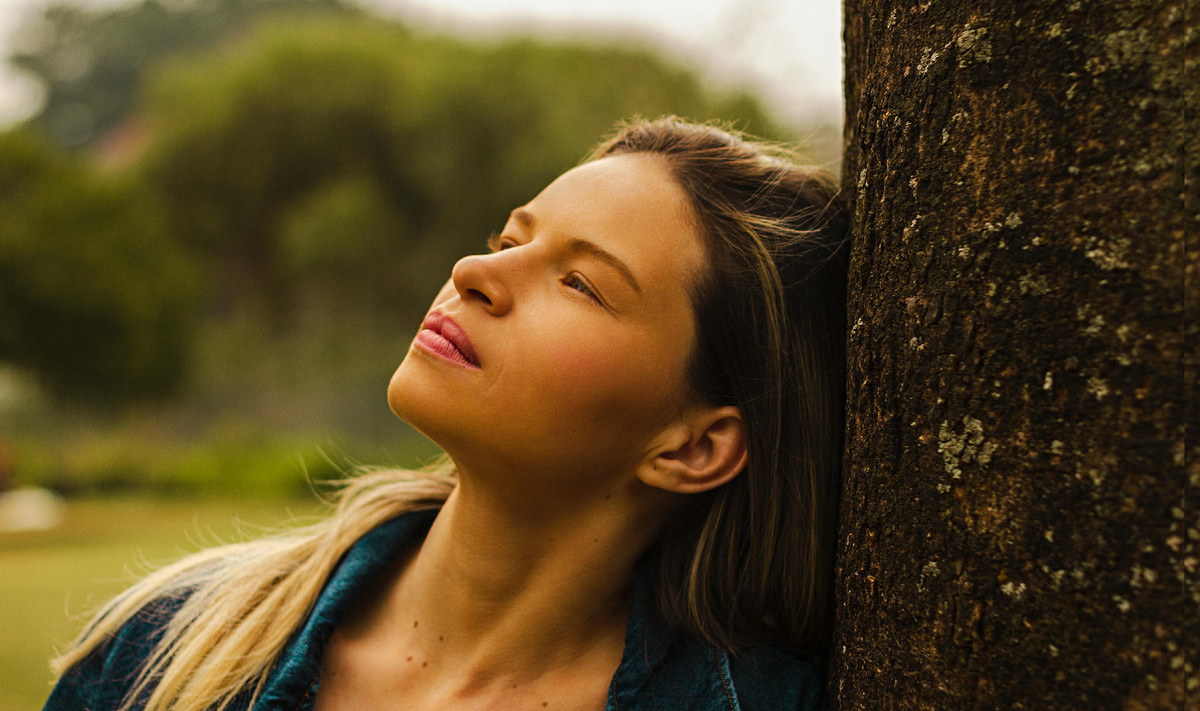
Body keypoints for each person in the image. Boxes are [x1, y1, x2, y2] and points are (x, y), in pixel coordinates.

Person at [44, 116, 848, 711]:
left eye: (580, 282)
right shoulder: (167, 649)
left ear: (695, 446)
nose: (474, 272)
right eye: (509, 239)